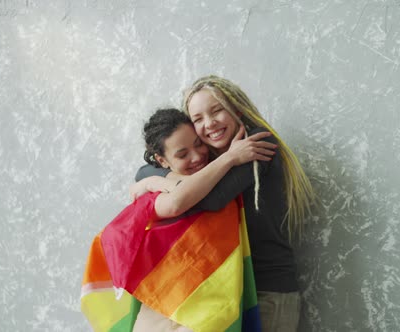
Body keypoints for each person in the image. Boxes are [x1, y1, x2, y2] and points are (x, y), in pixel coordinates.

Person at [134, 76, 316, 332]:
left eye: (217, 110)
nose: (209, 124)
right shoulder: (213, 158)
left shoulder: (258, 143)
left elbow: (210, 200)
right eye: (198, 119)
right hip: (228, 293)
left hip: (268, 291)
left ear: (237, 108)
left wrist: (159, 184)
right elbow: (144, 171)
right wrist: (152, 181)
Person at [130, 107, 275, 331]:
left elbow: (209, 198)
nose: (197, 156)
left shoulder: (229, 164)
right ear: (162, 160)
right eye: (182, 154)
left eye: (198, 144)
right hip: (168, 301)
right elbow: (178, 196)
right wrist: (229, 158)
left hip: (211, 297)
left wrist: (159, 182)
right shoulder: (156, 193)